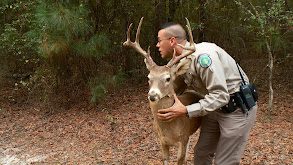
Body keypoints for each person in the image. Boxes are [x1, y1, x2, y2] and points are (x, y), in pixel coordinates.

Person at [156, 22, 258, 165]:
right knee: (201, 154)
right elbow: (175, 87)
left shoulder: (203, 58)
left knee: (224, 162)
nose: (157, 45)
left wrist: (186, 110)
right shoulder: (182, 61)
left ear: (172, 41)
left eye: (159, 40)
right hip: (215, 108)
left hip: (237, 110)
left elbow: (221, 95)